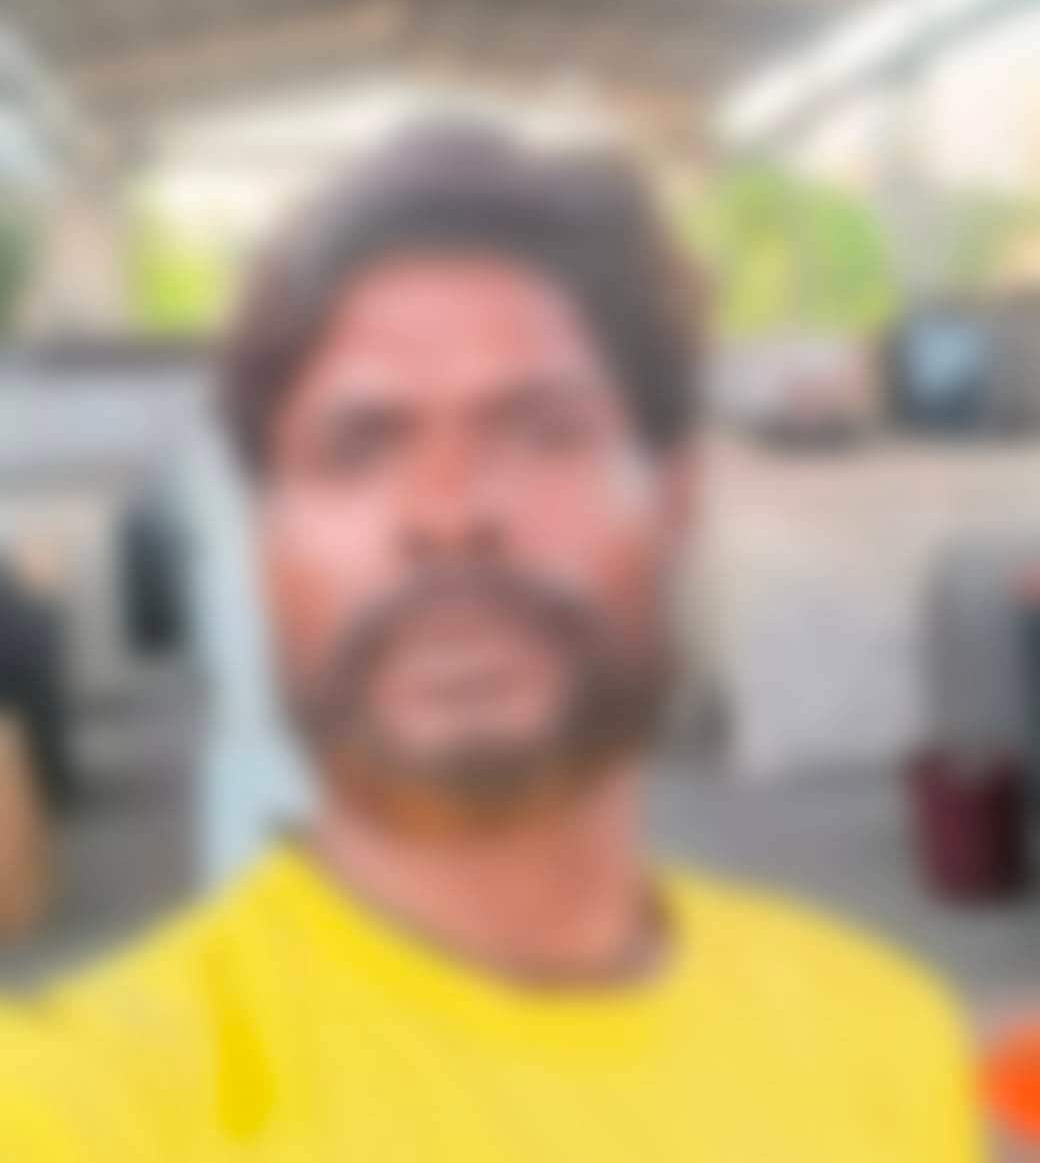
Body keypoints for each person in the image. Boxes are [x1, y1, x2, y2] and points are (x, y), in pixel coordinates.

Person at [0, 115, 981, 1159]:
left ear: (676, 500)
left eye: (541, 430)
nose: (449, 512)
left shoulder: (885, 1042)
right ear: (263, 542)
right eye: (358, 445)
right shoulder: (71, 1109)